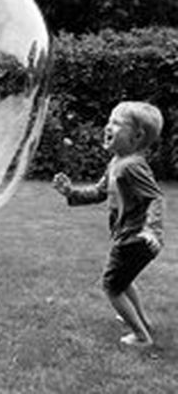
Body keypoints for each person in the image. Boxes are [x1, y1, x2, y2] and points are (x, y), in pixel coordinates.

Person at [53, 101, 165, 347]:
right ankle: (142, 321)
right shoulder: (116, 162)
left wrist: (151, 230)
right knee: (123, 280)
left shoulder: (132, 166)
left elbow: (154, 197)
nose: (108, 125)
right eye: (109, 120)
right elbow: (99, 192)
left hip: (137, 238)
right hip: (131, 236)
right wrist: (70, 191)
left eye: (116, 123)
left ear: (136, 136)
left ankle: (140, 337)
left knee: (112, 286)